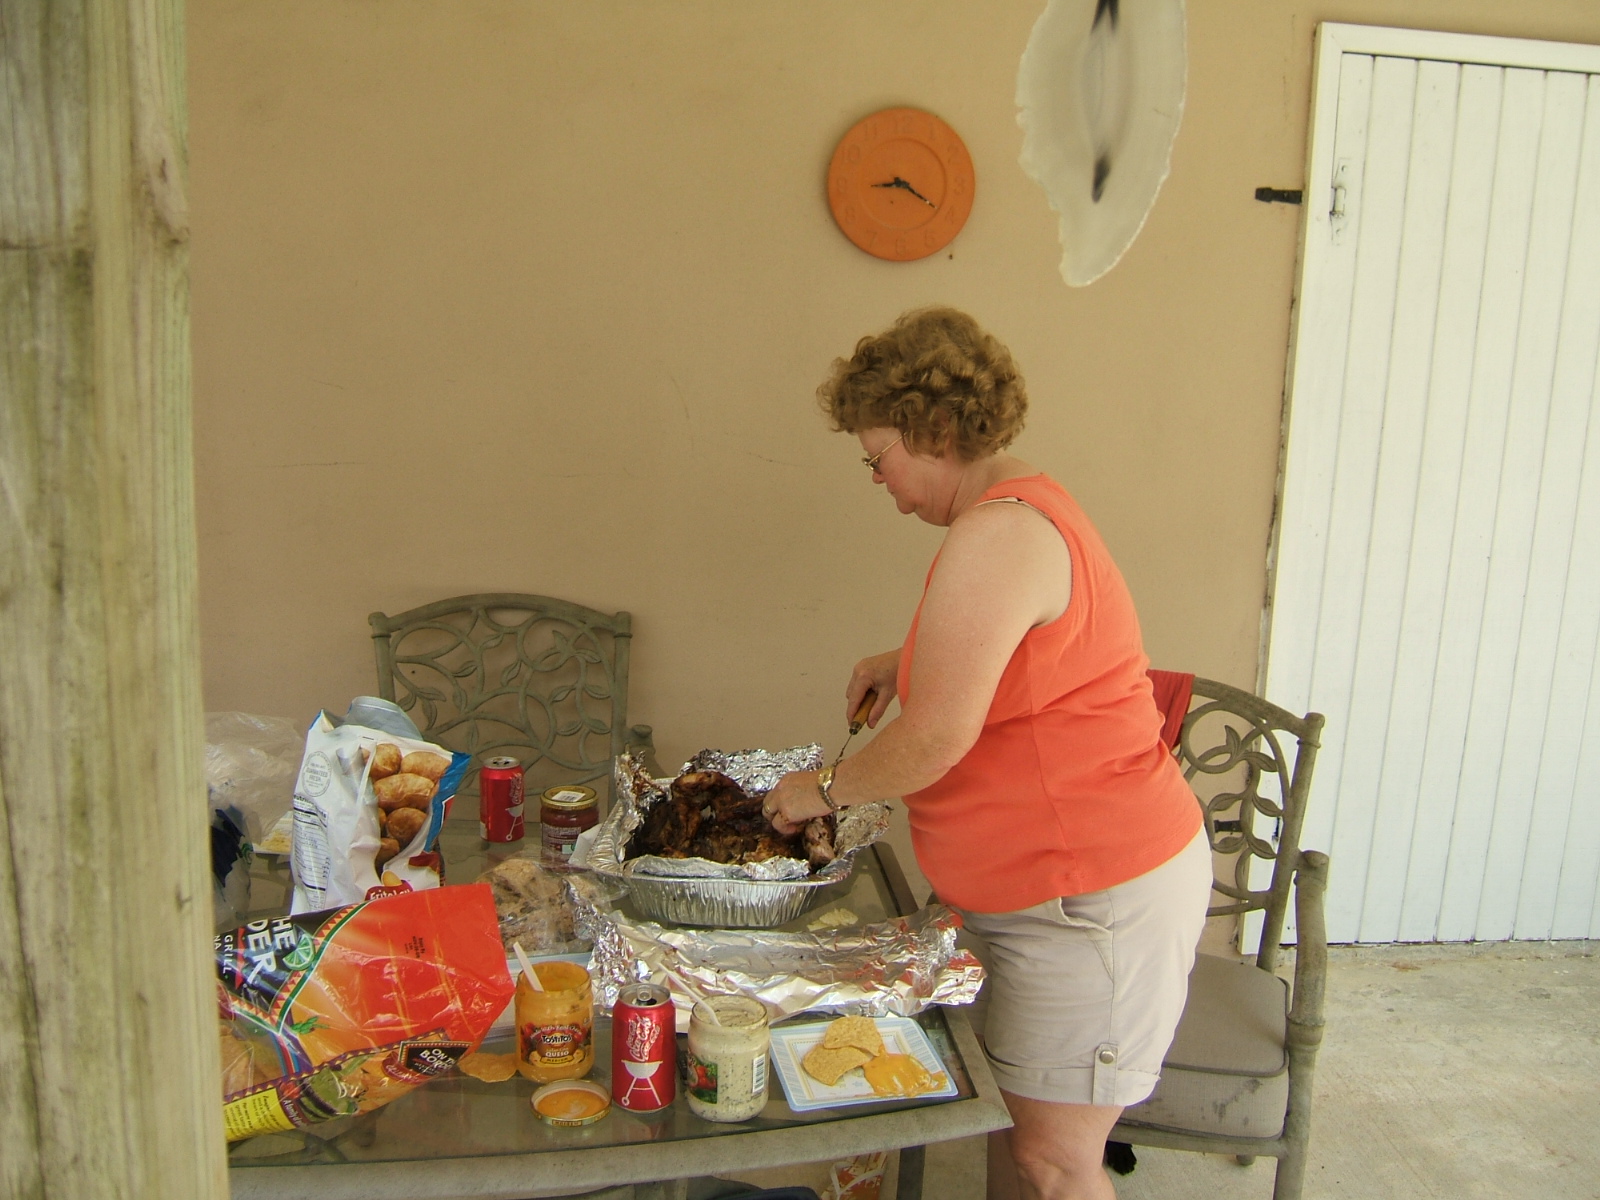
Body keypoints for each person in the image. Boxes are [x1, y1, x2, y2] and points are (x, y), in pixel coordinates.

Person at [761, 306, 1211, 1200]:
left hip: (1088, 902)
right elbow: (1019, 651)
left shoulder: (1000, 533)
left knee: (1055, 1165)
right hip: (1038, 895)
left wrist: (822, 789)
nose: (878, 481)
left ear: (933, 430)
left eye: (878, 457)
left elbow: (936, 736)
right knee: (1018, 1135)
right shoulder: (1013, 517)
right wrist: (905, 662)